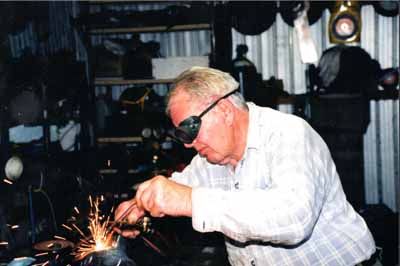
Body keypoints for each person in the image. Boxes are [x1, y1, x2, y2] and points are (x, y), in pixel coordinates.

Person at [115, 67, 375, 265]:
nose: (188, 144)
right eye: (181, 136)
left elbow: (295, 218)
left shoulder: (288, 134)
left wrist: (191, 202)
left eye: (190, 129)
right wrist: (140, 206)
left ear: (225, 110)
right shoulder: (210, 160)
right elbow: (176, 189)